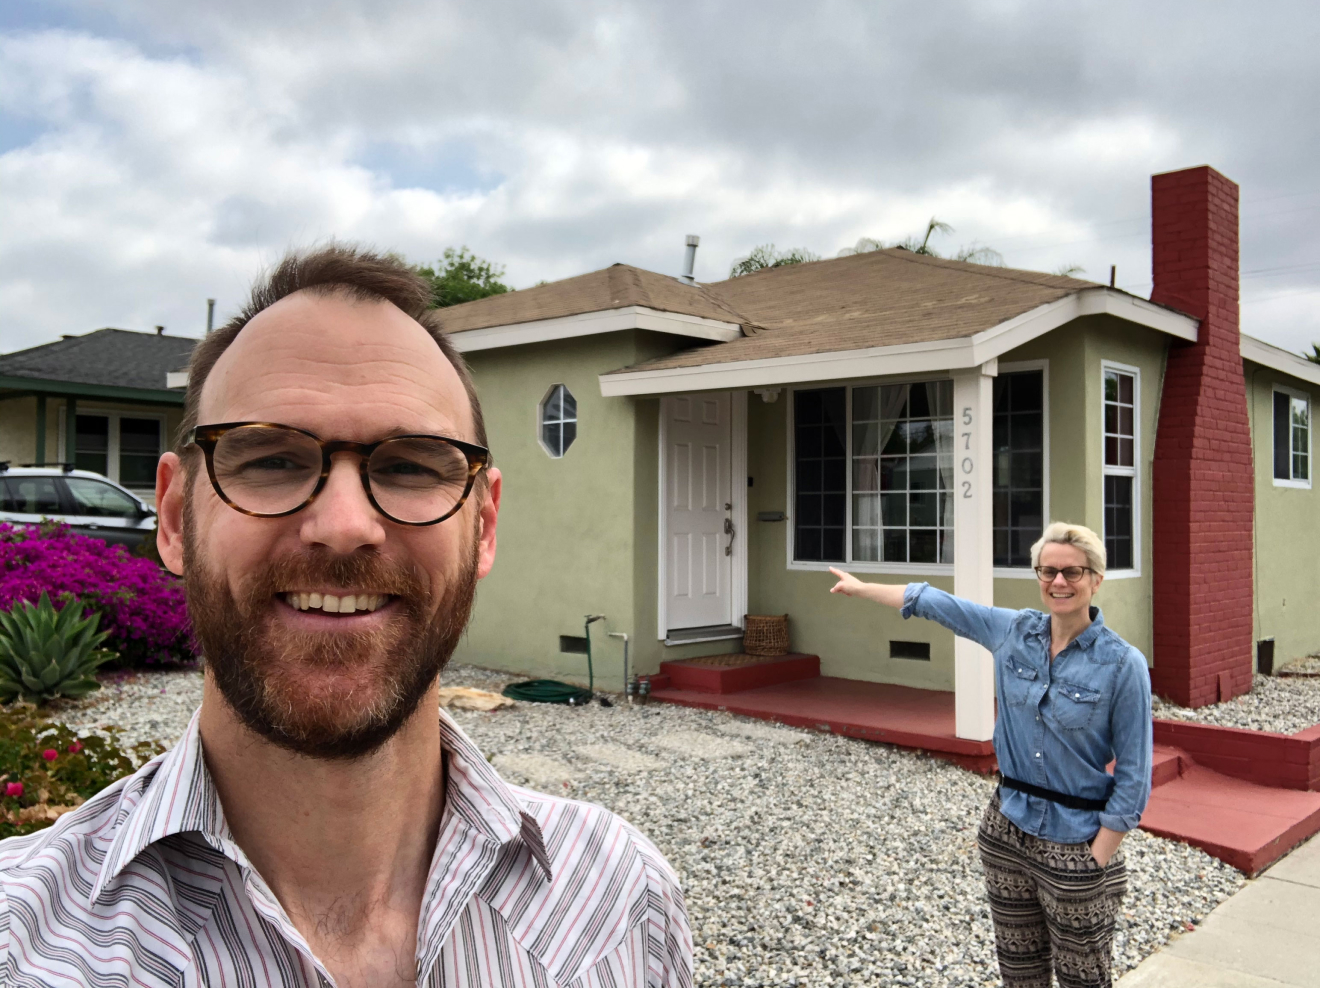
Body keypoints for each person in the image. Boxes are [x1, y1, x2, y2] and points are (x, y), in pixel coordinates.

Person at [0, 247, 693, 988]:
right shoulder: (23, 944)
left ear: (484, 525)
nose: (344, 524)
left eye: (410, 466)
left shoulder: (622, 903)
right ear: (173, 518)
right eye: (270, 459)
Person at [829, 522, 1151, 988]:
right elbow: (933, 601)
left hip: (1075, 842)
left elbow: (1136, 776)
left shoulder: (1123, 664)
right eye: (1048, 571)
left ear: (1096, 579)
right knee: (1019, 974)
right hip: (1006, 830)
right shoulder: (1013, 631)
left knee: (1085, 979)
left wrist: (1095, 858)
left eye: (1073, 572)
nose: (1059, 582)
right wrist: (861, 589)